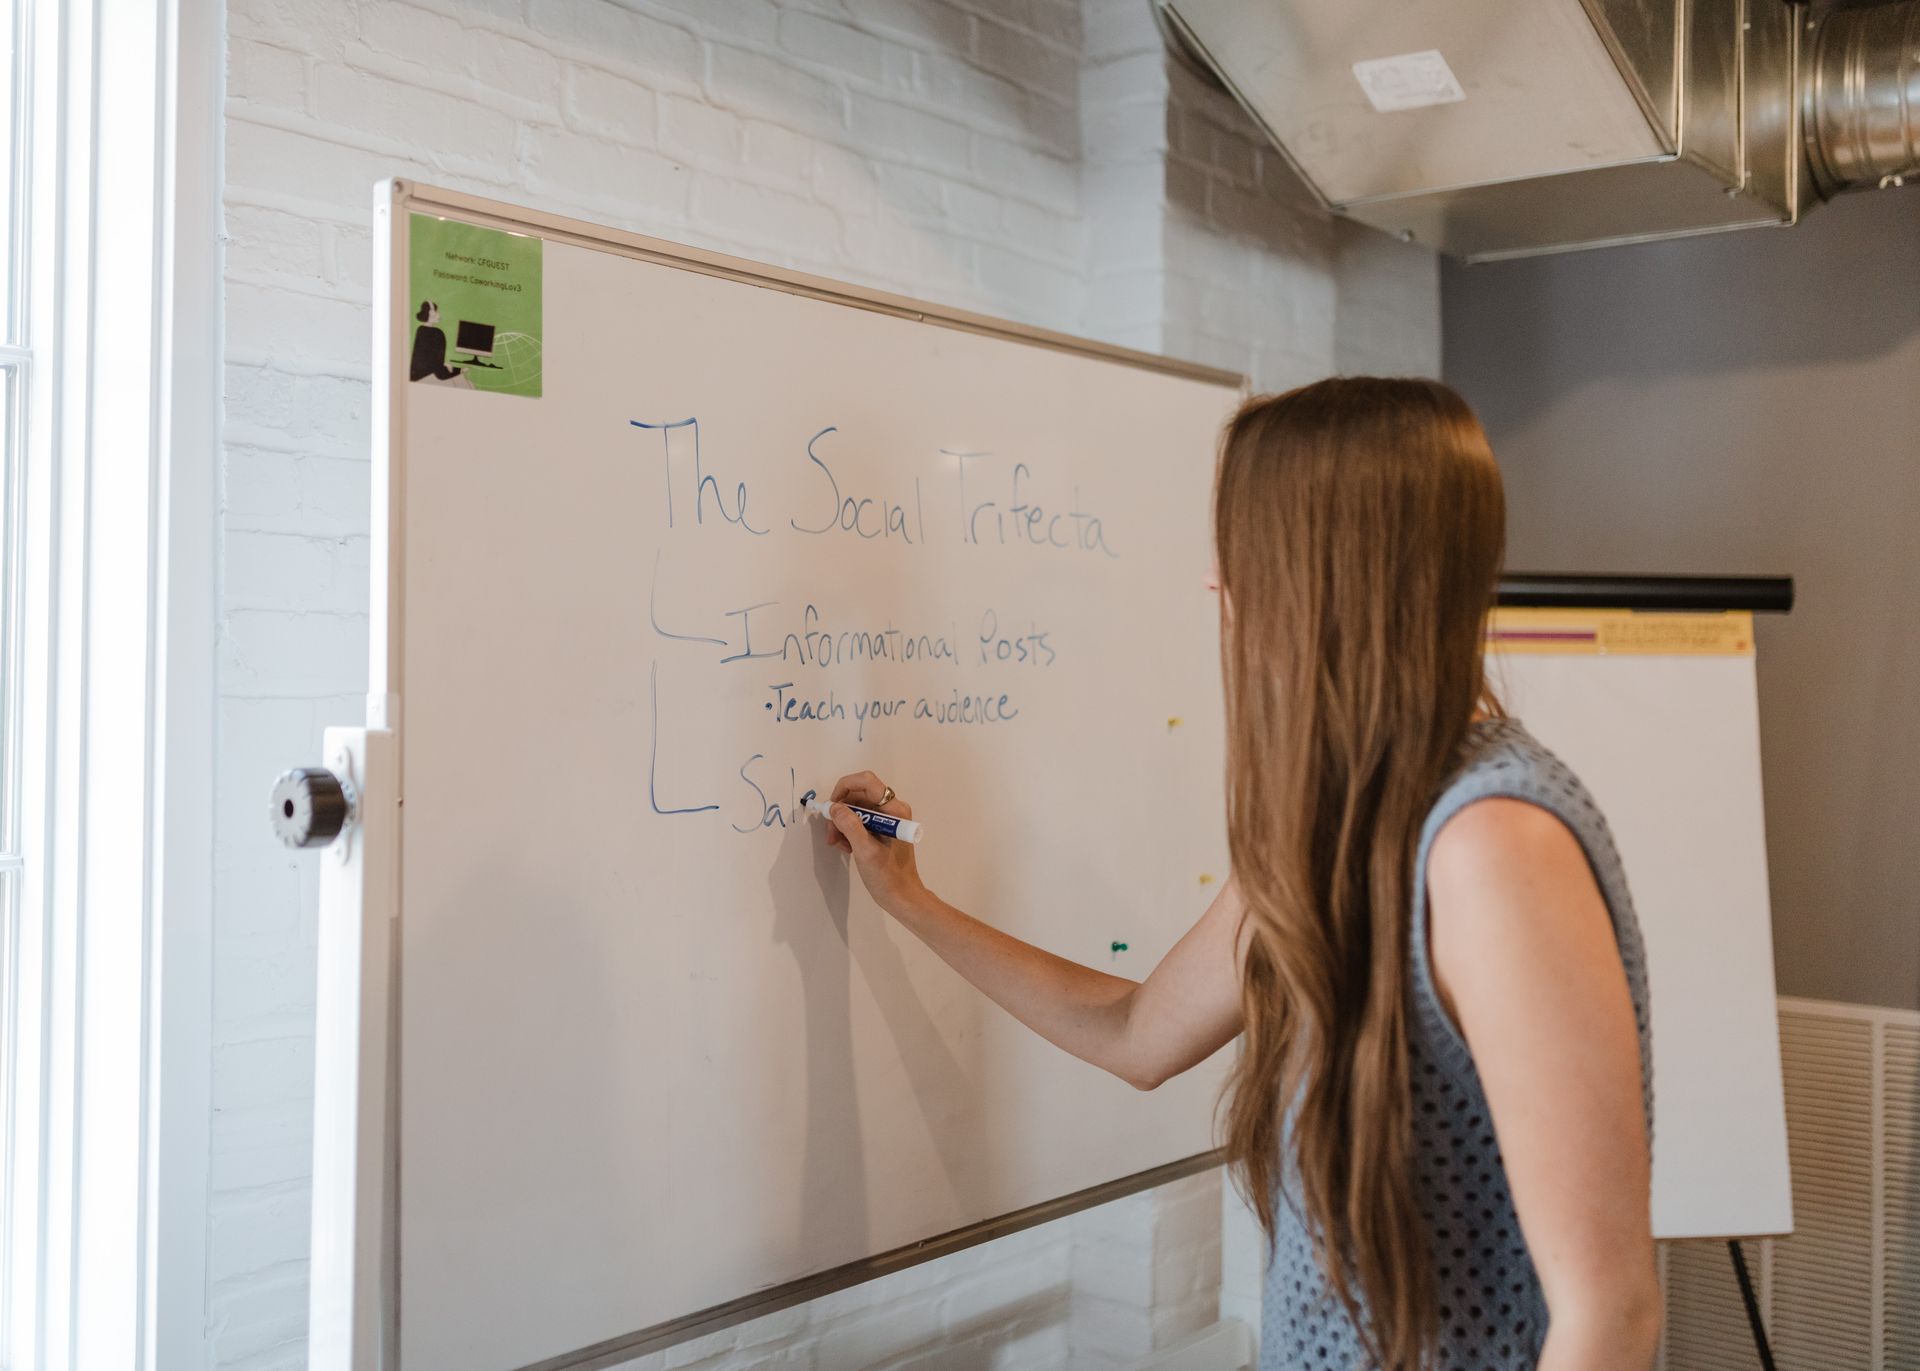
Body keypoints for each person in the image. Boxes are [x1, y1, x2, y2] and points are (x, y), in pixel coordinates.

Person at [817, 378, 1659, 1371]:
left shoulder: (1489, 845)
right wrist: (909, 899)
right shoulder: (1339, 821)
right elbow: (1134, 1033)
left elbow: (1610, 1315)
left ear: (1333, 568)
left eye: (1243, 543)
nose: (1216, 581)